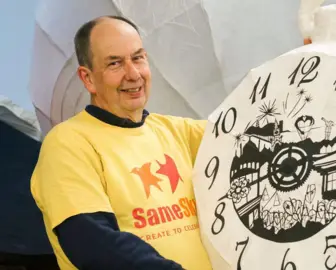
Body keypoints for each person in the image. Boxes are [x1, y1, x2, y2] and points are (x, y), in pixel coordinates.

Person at [30, 15, 212, 270]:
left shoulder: (179, 132)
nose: (133, 73)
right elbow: (92, 243)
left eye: (137, 58)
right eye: (115, 63)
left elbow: (248, 134)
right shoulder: (68, 144)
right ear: (88, 78)